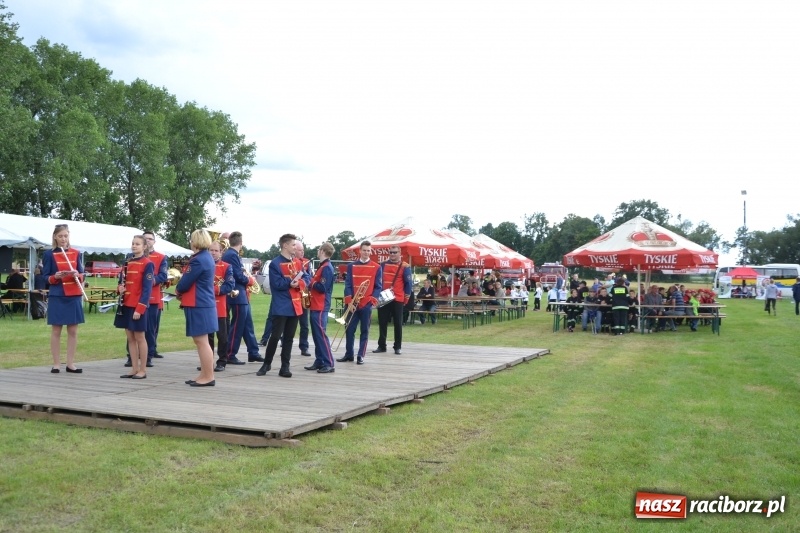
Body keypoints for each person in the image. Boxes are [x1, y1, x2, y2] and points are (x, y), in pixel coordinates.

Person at [257, 234, 309, 378]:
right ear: (285, 245)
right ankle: (267, 363)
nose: (295, 247)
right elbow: (276, 284)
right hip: (281, 305)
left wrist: (299, 283)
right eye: (293, 245)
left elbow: (307, 278)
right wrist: (289, 283)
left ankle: (285, 366)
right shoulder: (275, 263)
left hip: (295, 305)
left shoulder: (298, 262)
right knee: (275, 336)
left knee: (289, 338)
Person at [175, 230, 218, 386]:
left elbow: (186, 281)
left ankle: (208, 376)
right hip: (202, 303)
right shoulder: (205, 258)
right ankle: (205, 374)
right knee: (201, 341)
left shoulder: (198, 260)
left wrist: (178, 290)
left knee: (202, 341)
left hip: (199, 304)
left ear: (195, 241)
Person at [42, 224, 85, 374]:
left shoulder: (76, 253)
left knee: (73, 331)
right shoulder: (48, 254)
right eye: (60, 236)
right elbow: (44, 277)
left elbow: (82, 273)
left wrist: (77, 275)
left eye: (65, 236)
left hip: (73, 294)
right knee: (56, 330)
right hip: (57, 294)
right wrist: (55, 277)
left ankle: (70, 363)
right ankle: (56, 364)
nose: (63, 239)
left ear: (69, 236)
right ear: (55, 237)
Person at [115, 235, 154, 379]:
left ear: (144, 247)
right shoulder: (127, 262)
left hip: (138, 305)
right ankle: (134, 368)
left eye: (137, 244)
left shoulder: (147, 263)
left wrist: (140, 308)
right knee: (130, 337)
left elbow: (147, 289)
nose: (134, 246)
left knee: (140, 337)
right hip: (126, 304)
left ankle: (143, 370)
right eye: (133, 243)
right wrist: (119, 288)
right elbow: (121, 282)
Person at [337, 241, 382, 365]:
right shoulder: (351, 266)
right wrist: (349, 301)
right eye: (364, 250)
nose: (366, 252)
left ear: (370, 251)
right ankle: (349, 354)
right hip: (352, 303)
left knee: (364, 331)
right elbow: (348, 284)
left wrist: (372, 299)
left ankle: (361, 355)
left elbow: (378, 287)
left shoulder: (377, 267)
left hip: (366, 304)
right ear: (360, 251)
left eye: (368, 250)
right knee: (349, 330)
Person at [223, 231, 263, 365]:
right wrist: (250, 280)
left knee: (247, 325)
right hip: (238, 295)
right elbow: (238, 276)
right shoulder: (232, 255)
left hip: (242, 295)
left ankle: (253, 352)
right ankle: (230, 353)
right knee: (237, 326)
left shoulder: (232, 254)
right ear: (241, 243)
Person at [305, 241, 336, 373]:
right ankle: (319, 361)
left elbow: (323, 287)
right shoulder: (323, 266)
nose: (317, 251)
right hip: (316, 305)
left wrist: (310, 282)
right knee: (317, 335)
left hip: (321, 305)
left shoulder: (327, 267)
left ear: (323, 251)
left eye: (319, 249)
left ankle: (329, 362)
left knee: (321, 335)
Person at [374, 246, 412, 355]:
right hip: (384, 298)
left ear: (400, 253)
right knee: (382, 322)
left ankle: (397, 347)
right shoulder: (383, 264)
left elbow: (408, 284)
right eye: (390, 252)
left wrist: (406, 298)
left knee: (398, 323)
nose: (392, 254)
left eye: (395, 252)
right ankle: (382, 346)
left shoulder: (405, 266)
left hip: (398, 298)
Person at [207, 239, 235, 372]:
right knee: (207, 336)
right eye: (211, 250)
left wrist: (214, 290)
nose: (213, 253)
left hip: (220, 306)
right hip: (205, 305)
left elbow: (229, 285)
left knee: (222, 336)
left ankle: (222, 361)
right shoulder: (203, 264)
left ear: (221, 252)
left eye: (216, 250)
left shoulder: (226, 266)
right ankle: (208, 361)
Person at [142, 231, 169, 363]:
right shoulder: (132, 256)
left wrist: (150, 281)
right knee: (134, 328)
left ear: (154, 241)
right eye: (145, 238)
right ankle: (132, 356)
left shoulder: (161, 257)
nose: (147, 241)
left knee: (151, 327)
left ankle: (149, 355)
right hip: (137, 297)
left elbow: (163, 275)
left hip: (153, 296)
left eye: (150, 239)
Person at [294, 240, 314, 356]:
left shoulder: (306, 263)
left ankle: (304, 346)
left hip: (304, 295)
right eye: (300, 250)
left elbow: (309, 277)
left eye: (303, 250)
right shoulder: (291, 262)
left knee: (304, 325)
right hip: (294, 296)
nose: (303, 252)